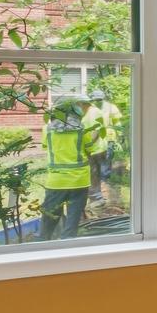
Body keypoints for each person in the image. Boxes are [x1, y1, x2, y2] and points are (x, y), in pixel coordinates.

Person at [39, 96, 101, 240]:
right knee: (72, 224)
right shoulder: (82, 130)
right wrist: (96, 136)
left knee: (49, 221)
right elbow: (89, 149)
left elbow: (45, 147)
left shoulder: (46, 130)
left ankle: (41, 249)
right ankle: (68, 250)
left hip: (56, 182)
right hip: (79, 181)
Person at [84, 84, 123, 205]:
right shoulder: (91, 109)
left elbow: (117, 122)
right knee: (101, 165)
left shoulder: (109, 108)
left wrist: (120, 135)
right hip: (99, 140)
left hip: (107, 138)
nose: (97, 101)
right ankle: (102, 186)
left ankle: (104, 184)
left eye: (99, 99)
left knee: (104, 165)